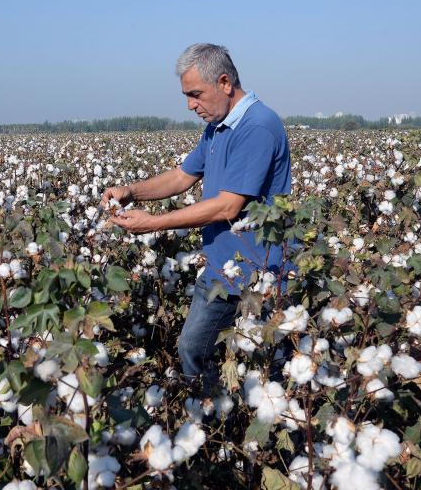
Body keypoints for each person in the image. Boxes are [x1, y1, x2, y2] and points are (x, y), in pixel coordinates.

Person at [101, 43, 291, 393]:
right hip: (222, 267)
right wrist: (131, 191)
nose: (190, 105)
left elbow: (227, 207)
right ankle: (209, 414)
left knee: (268, 367)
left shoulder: (258, 126)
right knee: (193, 347)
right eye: (186, 96)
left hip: (260, 273)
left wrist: (152, 223)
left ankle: (245, 427)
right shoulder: (218, 127)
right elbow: (182, 177)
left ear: (224, 82)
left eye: (195, 94)